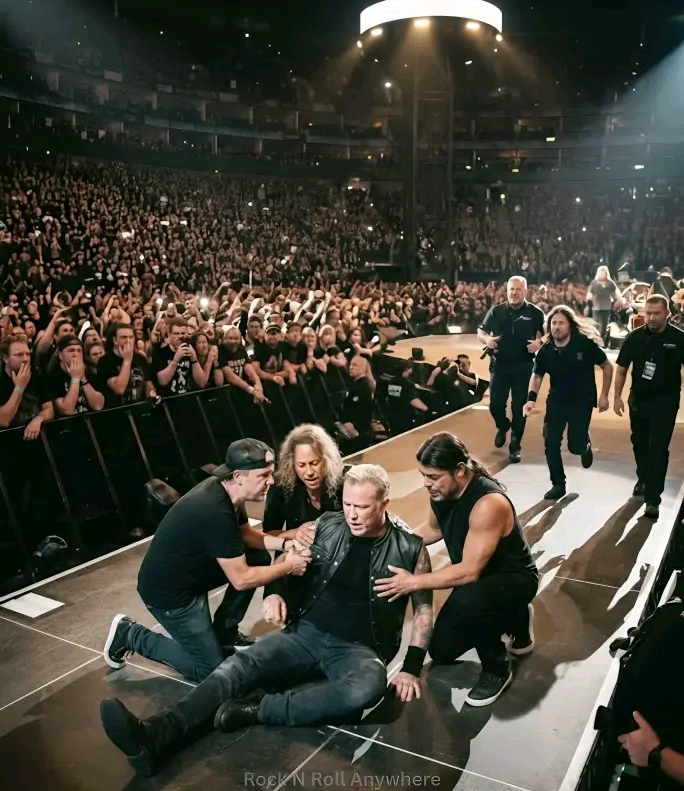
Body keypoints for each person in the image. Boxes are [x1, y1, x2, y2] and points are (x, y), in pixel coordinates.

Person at [99, 464, 433, 779]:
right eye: (347, 504)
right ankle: (154, 734)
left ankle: (260, 709)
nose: (352, 514)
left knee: (367, 688)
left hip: (358, 648)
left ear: (384, 503)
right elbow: (289, 556)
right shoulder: (327, 524)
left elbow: (423, 609)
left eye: (362, 507)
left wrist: (411, 667)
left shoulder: (410, 548)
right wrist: (274, 591)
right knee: (236, 666)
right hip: (305, 634)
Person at [102, 439, 311, 683]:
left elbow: (245, 534)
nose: (271, 481)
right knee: (210, 672)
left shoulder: (229, 491)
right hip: (171, 595)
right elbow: (242, 580)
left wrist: (285, 545)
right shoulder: (214, 510)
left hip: (192, 574)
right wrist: (289, 566)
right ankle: (130, 634)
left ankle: (224, 634)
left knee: (257, 557)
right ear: (239, 476)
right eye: (263, 475)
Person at [375, 432, 538, 707]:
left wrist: (412, 582)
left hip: (513, 579)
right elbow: (434, 528)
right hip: (476, 582)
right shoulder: (441, 491)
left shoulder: (488, 503)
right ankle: (514, 615)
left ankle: (497, 666)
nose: (426, 483)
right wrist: (395, 543)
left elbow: (469, 571)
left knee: (471, 600)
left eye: (433, 476)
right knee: (442, 651)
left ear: (460, 470)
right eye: (423, 475)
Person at [522, 305, 613, 501]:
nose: (556, 327)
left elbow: (607, 365)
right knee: (550, 441)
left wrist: (604, 395)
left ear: (570, 325)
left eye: (561, 323)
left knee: (574, 446)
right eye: (553, 323)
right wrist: (530, 400)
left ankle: (584, 444)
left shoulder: (584, 344)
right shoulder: (546, 350)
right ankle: (558, 484)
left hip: (582, 399)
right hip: (557, 399)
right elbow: (537, 375)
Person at [613, 294, 684, 520]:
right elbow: (622, 368)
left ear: (667, 314)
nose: (651, 318)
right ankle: (643, 478)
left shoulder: (679, 338)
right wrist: (617, 396)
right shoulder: (634, 337)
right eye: (648, 313)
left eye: (656, 313)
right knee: (640, 443)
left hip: (666, 401)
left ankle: (653, 499)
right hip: (639, 399)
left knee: (658, 449)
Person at [477, 276, 544, 463]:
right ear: (507, 291)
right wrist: (487, 340)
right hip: (499, 365)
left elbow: (548, 335)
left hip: (524, 366)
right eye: (511, 289)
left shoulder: (536, 313)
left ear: (525, 291)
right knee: (495, 405)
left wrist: (539, 343)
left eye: (518, 289)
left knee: (519, 407)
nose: (514, 293)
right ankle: (503, 425)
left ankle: (515, 445)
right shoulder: (496, 311)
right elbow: (481, 332)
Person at [587, 265, 621, 347]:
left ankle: (601, 342)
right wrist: (589, 296)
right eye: (601, 273)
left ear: (606, 273)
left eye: (603, 273)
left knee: (603, 327)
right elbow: (589, 292)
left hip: (606, 308)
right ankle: (595, 342)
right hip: (596, 308)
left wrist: (618, 300)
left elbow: (615, 294)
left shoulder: (610, 283)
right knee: (595, 325)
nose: (602, 274)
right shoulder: (594, 283)